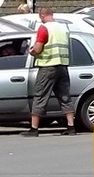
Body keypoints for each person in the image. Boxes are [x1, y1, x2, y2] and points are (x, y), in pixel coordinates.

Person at [21, 8, 76, 136]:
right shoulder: (63, 28)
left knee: (40, 95)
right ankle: (71, 126)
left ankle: (34, 129)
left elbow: (38, 49)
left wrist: (32, 51)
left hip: (48, 66)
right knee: (65, 96)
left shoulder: (44, 28)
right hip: (62, 66)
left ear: (42, 15)